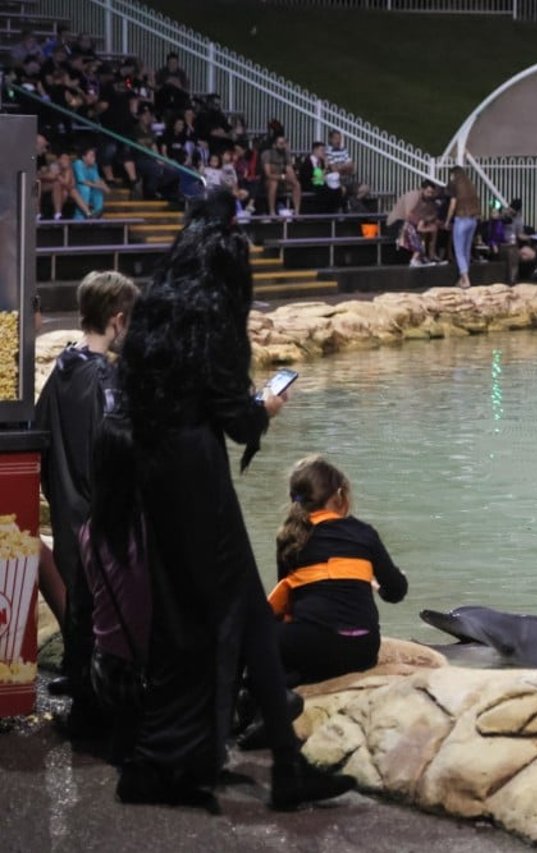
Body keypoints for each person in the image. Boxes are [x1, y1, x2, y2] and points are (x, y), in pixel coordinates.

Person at [90, 190, 354, 809]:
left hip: (155, 468)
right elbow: (233, 416)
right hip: (194, 470)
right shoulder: (213, 308)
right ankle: (193, 765)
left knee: (209, 615)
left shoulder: (157, 302)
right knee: (223, 616)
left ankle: (262, 763)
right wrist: (264, 408)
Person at [34, 271, 140, 737]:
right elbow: (114, 450)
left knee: (78, 595)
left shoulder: (62, 366)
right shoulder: (105, 379)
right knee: (102, 603)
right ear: (118, 320)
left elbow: (41, 431)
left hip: (64, 500)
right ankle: (94, 689)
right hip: (96, 509)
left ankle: (77, 675)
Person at [268, 455, 407, 686]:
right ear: (340, 496)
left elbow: (288, 599)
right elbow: (397, 592)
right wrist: (380, 587)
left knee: (254, 633)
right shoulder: (365, 533)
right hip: (363, 651)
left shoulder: (289, 537)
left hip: (311, 645)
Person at [444, 166, 481, 288]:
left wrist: (447, 221)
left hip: (461, 219)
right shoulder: (470, 185)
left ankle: (466, 280)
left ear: (454, 174)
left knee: (459, 251)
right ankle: (462, 278)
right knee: (466, 250)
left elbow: (453, 205)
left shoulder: (455, 185)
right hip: (473, 220)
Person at [261, 134, 301, 217]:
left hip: (282, 180)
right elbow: (268, 174)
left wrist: (293, 180)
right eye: (281, 143)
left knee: (297, 184)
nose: (283, 146)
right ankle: (272, 212)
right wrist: (282, 177)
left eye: (284, 143)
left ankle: (297, 212)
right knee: (274, 183)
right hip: (268, 181)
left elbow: (289, 170)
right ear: (274, 145)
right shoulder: (267, 154)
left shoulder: (286, 153)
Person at [71, 145, 108, 219]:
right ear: (84, 157)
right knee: (85, 189)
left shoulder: (94, 166)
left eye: (94, 156)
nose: (94, 158)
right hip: (75, 187)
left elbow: (97, 180)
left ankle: (97, 214)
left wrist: (104, 186)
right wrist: (99, 186)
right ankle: (82, 215)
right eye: (91, 156)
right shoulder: (78, 163)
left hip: (89, 186)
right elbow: (82, 181)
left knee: (98, 191)